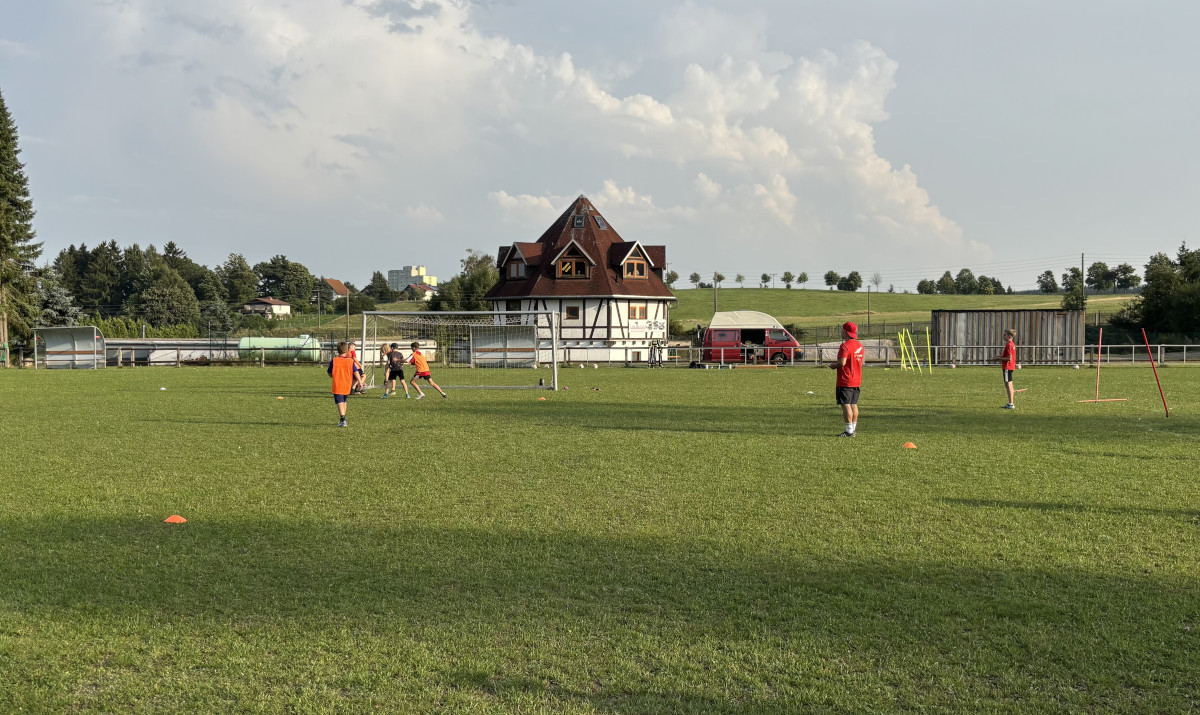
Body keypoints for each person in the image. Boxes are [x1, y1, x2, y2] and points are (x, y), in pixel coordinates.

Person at [827, 321, 865, 437]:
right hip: (857, 379)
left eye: (842, 330)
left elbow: (842, 363)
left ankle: (849, 431)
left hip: (845, 379)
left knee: (846, 404)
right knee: (854, 404)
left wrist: (833, 365)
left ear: (845, 331)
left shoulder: (845, 346)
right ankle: (853, 429)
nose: (841, 332)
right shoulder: (860, 346)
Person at [327, 341, 354, 427]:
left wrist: (334, 376)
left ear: (337, 350)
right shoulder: (350, 361)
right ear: (347, 350)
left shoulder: (334, 360)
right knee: (344, 401)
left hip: (338, 384)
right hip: (347, 384)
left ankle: (343, 419)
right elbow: (356, 372)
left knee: (340, 402)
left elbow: (329, 372)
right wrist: (360, 382)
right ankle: (342, 419)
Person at [991, 328, 1017, 409]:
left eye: (1005, 335)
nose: (1003, 336)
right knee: (1010, 385)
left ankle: (1011, 404)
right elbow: (1007, 356)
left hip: (1007, 367)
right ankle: (1011, 403)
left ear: (1009, 336)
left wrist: (998, 359)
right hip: (1010, 367)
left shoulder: (1009, 345)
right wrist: (998, 357)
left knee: (1008, 385)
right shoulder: (1011, 344)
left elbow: (1009, 358)